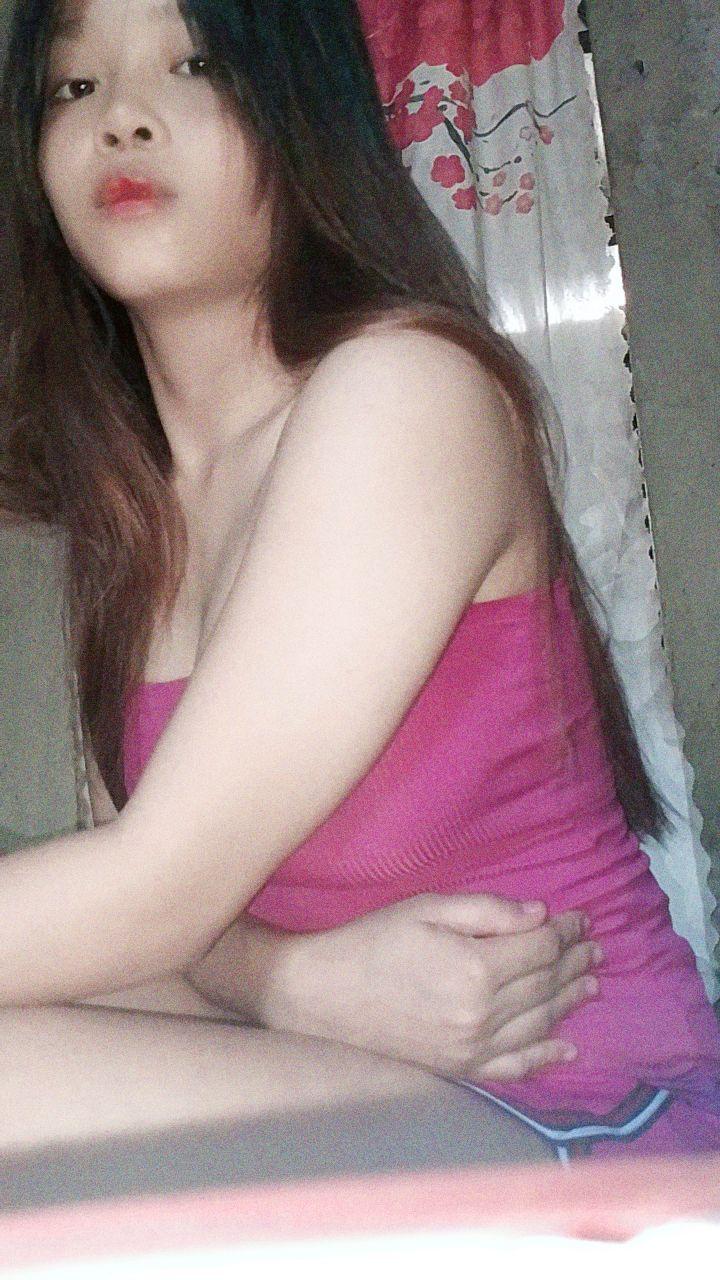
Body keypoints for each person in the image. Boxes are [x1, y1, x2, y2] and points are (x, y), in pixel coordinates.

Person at [0, 0, 717, 1165]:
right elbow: (145, 920)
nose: (123, 119)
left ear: (304, 116)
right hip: (369, 1087)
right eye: (74, 88)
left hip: (590, 1113)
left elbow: (153, 892)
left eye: (196, 66)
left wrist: (240, 967)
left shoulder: (401, 390)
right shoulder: (133, 506)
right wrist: (284, 979)